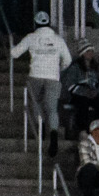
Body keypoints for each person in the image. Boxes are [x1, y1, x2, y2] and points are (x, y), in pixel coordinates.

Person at [10, 11, 73, 146]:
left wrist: (12, 44)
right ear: (49, 23)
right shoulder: (58, 39)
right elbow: (68, 60)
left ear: (35, 23)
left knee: (36, 103)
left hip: (35, 75)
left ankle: (41, 128)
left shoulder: (31, 37)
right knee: (52, 108)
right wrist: (58, 69)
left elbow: (14, 54)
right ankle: (54, 134)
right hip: (53, 77)